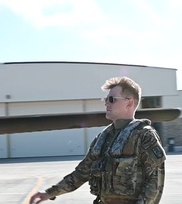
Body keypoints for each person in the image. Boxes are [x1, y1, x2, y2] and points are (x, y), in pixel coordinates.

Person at [29, 76, 166, 204]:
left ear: (129, 103)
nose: (106, 103)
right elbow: (81, 173)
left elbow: (155, 185)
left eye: (112, 99)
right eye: (106, 99)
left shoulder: (144, 135)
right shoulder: (103, 138)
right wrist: (49, 193)